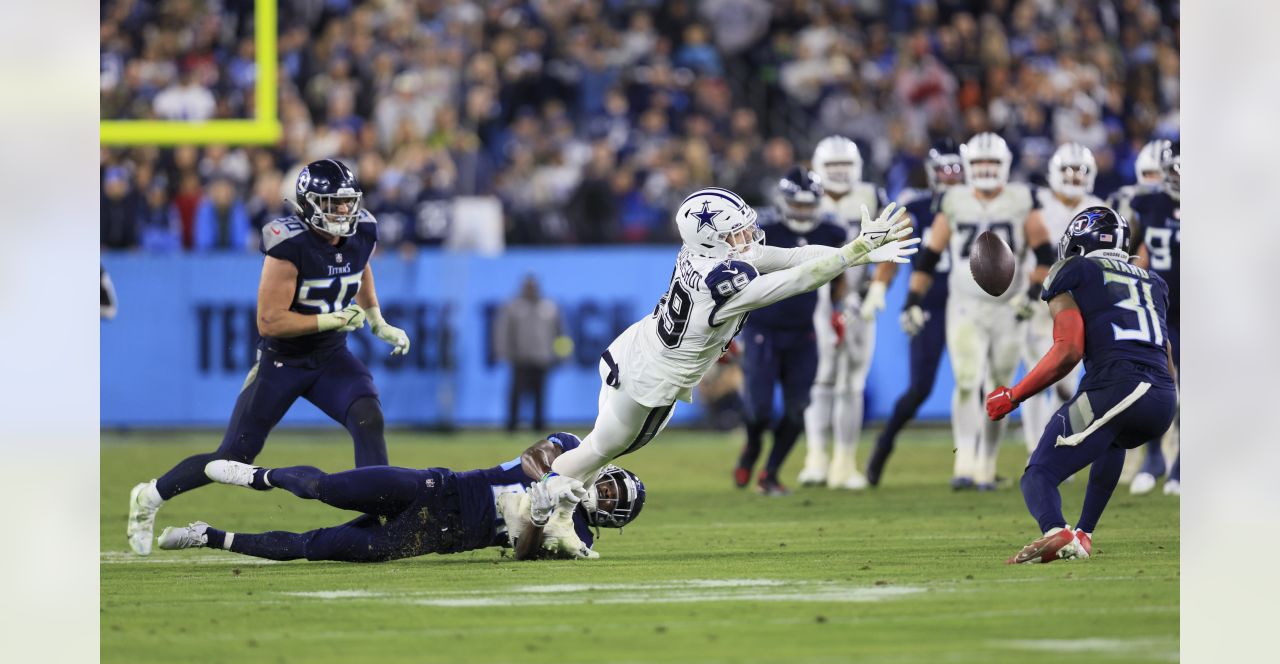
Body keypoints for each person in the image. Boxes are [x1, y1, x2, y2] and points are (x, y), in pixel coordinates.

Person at [546, 186, 920, 497]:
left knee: (599, 453)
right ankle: (536, 503)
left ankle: (559, 512)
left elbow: (792, 256)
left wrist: (858, 252)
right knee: (598, 450)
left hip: (636, 348)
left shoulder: (703, 252)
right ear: (711, 238)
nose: (746, 238)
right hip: (652, 379)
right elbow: (798, 279)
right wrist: (854, 252)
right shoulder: (721, 281)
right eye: (735, 233)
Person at [126, 158, 412, 556]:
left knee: (368, 416)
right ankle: (149, 495)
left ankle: (376, 519)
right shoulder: (287, 243)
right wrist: (331, 318)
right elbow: (270, 322)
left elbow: (358, 268)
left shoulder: (364, 228)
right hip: (283, 362)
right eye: (333, 203)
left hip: (331, 357)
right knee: (234, 455)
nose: (344, 212)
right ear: (310, 204)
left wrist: (377, 319)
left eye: (347, 202)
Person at [987, 206, 1177, 564]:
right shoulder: (1153, 281)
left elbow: (1068, 350)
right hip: (1163, 398)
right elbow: (1166, 353)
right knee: (1114, 437)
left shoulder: (1072, 272)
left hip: (1118, 385)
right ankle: (1083, 535)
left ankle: (1054, 529)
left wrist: (1014, 395)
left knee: (1038, 474)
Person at [156, 433, 643, 562]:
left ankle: (209, 537)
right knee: (326, 487)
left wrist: (540, 513)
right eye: (608, 485)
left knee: (317, 547)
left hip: (435, 535)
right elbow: (536, 456)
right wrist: (551, 481)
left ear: (612, 521)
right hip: (440, 486)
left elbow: (523, 552)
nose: (601, 494)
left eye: (612, 501)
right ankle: (256, 475)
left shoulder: (576, 532)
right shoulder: (575, 453)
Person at [905, 132, 1053, 491]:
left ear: (1003, 166)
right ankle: (965, 461)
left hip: (1009, 307)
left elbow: (1045, 253)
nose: (986, 169)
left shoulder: (1021, 199)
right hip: (966, 305)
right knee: (968, 379)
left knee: (1000, 387)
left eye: (992, 163)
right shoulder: (954, 200)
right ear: (970, 166)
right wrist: (912, 300)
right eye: (980, 163)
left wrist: (1032, 294)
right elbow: (931, 253)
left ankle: (988, 462)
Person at [733, 168, 846, 493]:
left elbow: (838, 278)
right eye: (796, 204)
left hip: (802, 332)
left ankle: (769, 473)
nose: (802, 212)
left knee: (797, 411)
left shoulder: (831, 230)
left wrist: (838, 311)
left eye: (808, 205)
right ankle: (751, 448)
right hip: (763, 330)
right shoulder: (762, 229)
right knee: (760, 411)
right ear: (783, 201)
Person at [865, 139, 965, 486]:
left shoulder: (981, 204)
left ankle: (973, 463)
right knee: (920, 388)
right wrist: (881, 288)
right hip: (931, 305)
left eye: (957, 169)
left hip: (972, 304)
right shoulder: (916, 204)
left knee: (976, 383)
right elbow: (895, 250)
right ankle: (885, 443)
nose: (951, 177)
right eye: (946, 169)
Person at [798, 136, 890, 490]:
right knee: (819, 380)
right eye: (832, 167)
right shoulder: (807, 195)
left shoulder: (872, 196)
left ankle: (844, 462)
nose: (838, 174)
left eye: (844, 166)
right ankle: (816, 457)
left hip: (859, 298)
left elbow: (894, 243)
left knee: (852, 382)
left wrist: (873, 290)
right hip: (814, 297)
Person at [1019, 143, 1104, 453]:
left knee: (1067, 384)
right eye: (1067, 169)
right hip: (1042, 302)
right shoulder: (1036, 204)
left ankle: (1057, 446)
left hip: (1080, 306)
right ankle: (1035, 448)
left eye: (1080, 170)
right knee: (1037, 377)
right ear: (1053, 172)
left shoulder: (1098, 207)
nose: (1073, 176)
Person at [1127, 140, 1181, 496]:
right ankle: (1153, 457)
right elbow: (1130, 250)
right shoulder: (1147, 203)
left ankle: (1181, 465)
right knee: (1150, 382)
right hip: (1157, 305)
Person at [494, 275, 565, 432]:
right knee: (516, 394)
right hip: (521, 358)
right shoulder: (513, 306)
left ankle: (539, 424)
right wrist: (505, 353)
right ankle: (512, 425)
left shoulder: (549, 306)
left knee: (541, 395)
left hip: (542, 357)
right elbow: (504, 332)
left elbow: (560, 333)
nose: (531, 289)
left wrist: (561, 355)